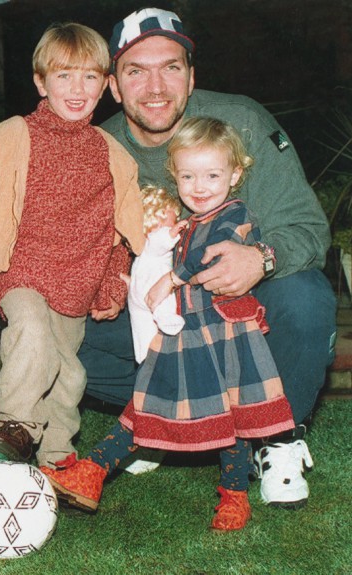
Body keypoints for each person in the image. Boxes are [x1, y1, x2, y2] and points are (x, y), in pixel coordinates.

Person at [78, 7, 335, 508]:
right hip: (161, 314)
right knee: (65, 330)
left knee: (304, 296)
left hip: (240, 314)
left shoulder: (238, 119)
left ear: (191, 77)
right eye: (136, 70)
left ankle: (277, 439)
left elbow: (308, 227)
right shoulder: (98, 147)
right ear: (113, 85)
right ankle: (165, 418)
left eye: (170, 67)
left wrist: (259, 259)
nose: (155, 86)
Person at [44, 117, 296, 531]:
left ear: (235, 175)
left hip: (222, 332)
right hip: (184, 331)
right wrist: (140, 282)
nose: (200, 186)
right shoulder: (186, 222)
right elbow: (158, 259)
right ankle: (90, 472)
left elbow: (213, 255)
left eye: (212, 175)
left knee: (231, 416)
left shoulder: (234, 214)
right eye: (187, 176)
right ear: (174, 175)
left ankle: (235, 495)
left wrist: (172, 278)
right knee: (147, 402)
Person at [0, 22, 144, 469]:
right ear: (41, 82)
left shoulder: (114, 155)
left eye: (89, 77)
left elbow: (121, 233)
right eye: (63, 76)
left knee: (67, 372)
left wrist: (112, 288)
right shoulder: (11, 137)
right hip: (18, 269)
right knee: (31, 329)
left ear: (107, 86)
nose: (76, 89)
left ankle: (57, 455)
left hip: (77, 278)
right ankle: (13, 425)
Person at [125, 185, 185, 364]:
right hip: (153, 284)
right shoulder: (156, 240)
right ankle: (167, 319)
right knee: (163, 299)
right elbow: (162, 239)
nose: (173, 225)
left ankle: (142, 353)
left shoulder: (140, 247)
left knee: (141, 324)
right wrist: (175, 231)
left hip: (138, 285)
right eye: (172, 221)